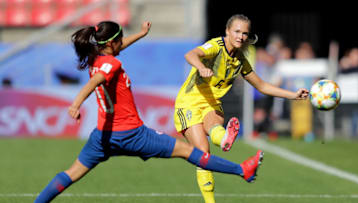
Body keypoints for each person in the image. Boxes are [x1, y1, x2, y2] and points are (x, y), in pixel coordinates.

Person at [34, 20, 265, 203]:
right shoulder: (111, 65)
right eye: (121, 39)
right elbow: (96, 80)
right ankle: (241, 170)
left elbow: (111, 56)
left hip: (102, 136)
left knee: (70, 174)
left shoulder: (98, 57)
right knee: (189, 152)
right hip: (133, 134)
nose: (123, 42)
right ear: (112, 43)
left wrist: (140, 35)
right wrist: (76, 103)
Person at [174, 14, 309, 203]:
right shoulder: (215, 46)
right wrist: (201, 67)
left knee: (214, 129)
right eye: (237, 31)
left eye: (245, 33)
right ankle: (212, 194)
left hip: (211, 103)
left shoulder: (240, 60)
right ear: (227, 31)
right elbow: (191, 54)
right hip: (188, 102)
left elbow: (262, 85)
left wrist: (293, 95)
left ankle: (223, 139)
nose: (241, 36)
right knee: (203, 154)